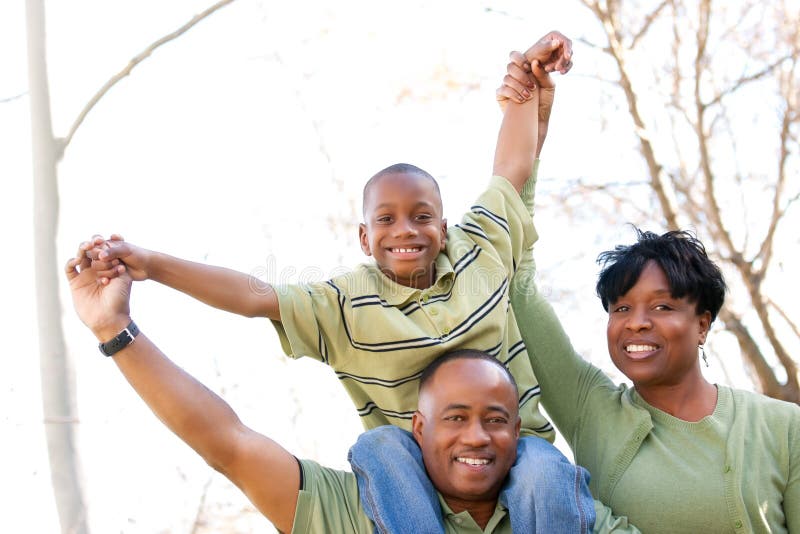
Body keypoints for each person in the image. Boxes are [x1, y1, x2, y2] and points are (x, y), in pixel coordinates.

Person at [83, 32, 597, 533]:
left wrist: (527, 86)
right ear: (362, 237)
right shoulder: (345, 305)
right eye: (387, 220)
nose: (405, 231)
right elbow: (250, 296)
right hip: (417, 476)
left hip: (521, 448)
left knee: (543, 470)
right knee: (380, 449)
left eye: (422, 217)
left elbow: (510, 170)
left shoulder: (479, 249)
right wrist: (153, 266)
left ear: (444, 228)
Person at [64, 252, 637, 532]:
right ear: (419, 428)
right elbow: (229, 444)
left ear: (519, 429)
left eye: (496, 418)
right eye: (455, 417)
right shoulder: (368, 509)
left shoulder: (567, 511)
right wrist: (116, 333)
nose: (477, 436)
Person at [497, 50, 800, 531]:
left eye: (661, 306)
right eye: (621, 307)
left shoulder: (783, 428)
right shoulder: (590, 409)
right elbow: (516, 279)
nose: (636, 321)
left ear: (702, 323)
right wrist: (530, 123)